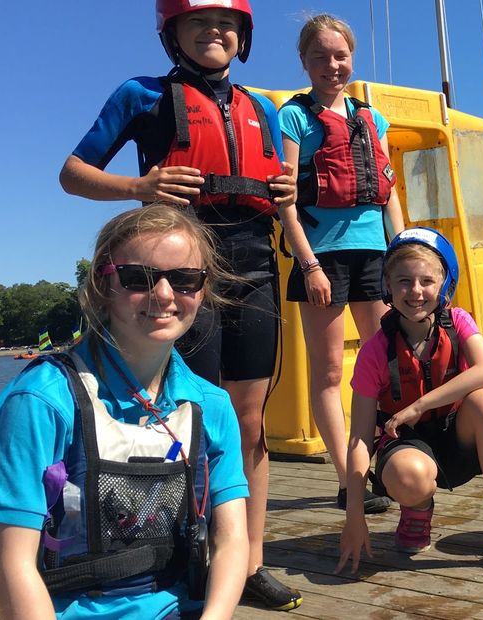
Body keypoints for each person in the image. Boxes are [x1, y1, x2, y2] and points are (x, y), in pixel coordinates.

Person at [57, 0, 301, 609]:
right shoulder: (140, 95)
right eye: (199, 22)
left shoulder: (263, 109)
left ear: (243, 37)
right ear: (172, 34)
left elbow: (281, 190)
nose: (215, 31)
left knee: (248, 418)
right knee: (187, 410)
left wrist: (292, 191)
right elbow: (73, 172)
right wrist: (140, 189)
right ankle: (186, 551)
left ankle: (248, 561)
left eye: (228, 23)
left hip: (253, 261)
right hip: (185, 263)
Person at [0, 204, 249, 619]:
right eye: (138, 278)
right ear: (102, 285)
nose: (164, 295)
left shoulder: (212, 406)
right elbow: (10, 565)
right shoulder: (39, 401)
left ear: (203, 289)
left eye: (184, 280)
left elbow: (233, 539)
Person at [338, 227, 483, 578]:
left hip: (458, 438)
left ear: (445, 285)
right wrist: (354, 517)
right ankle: (417, 508)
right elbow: (359, 439)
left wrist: (419, 404)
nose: (416, 291)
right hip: (409, 447)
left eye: (427, 280)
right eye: (404, 281)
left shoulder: (458, 322)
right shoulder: (374, 351)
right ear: (388, 287)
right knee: (409, 476)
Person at [277, 13, 404, 515]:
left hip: (375, 255)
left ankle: (382, 462)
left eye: (340, 55)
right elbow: (285, 198)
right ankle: (347, 478)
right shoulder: (293, 116)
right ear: (304, 62)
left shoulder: (373, 118)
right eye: (320, 56)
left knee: (383, 367)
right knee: (329, 372)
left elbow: (390, 193)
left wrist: (406, 250)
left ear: (351, 57)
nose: (332, 64)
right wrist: (307, 265)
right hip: (321, 257)